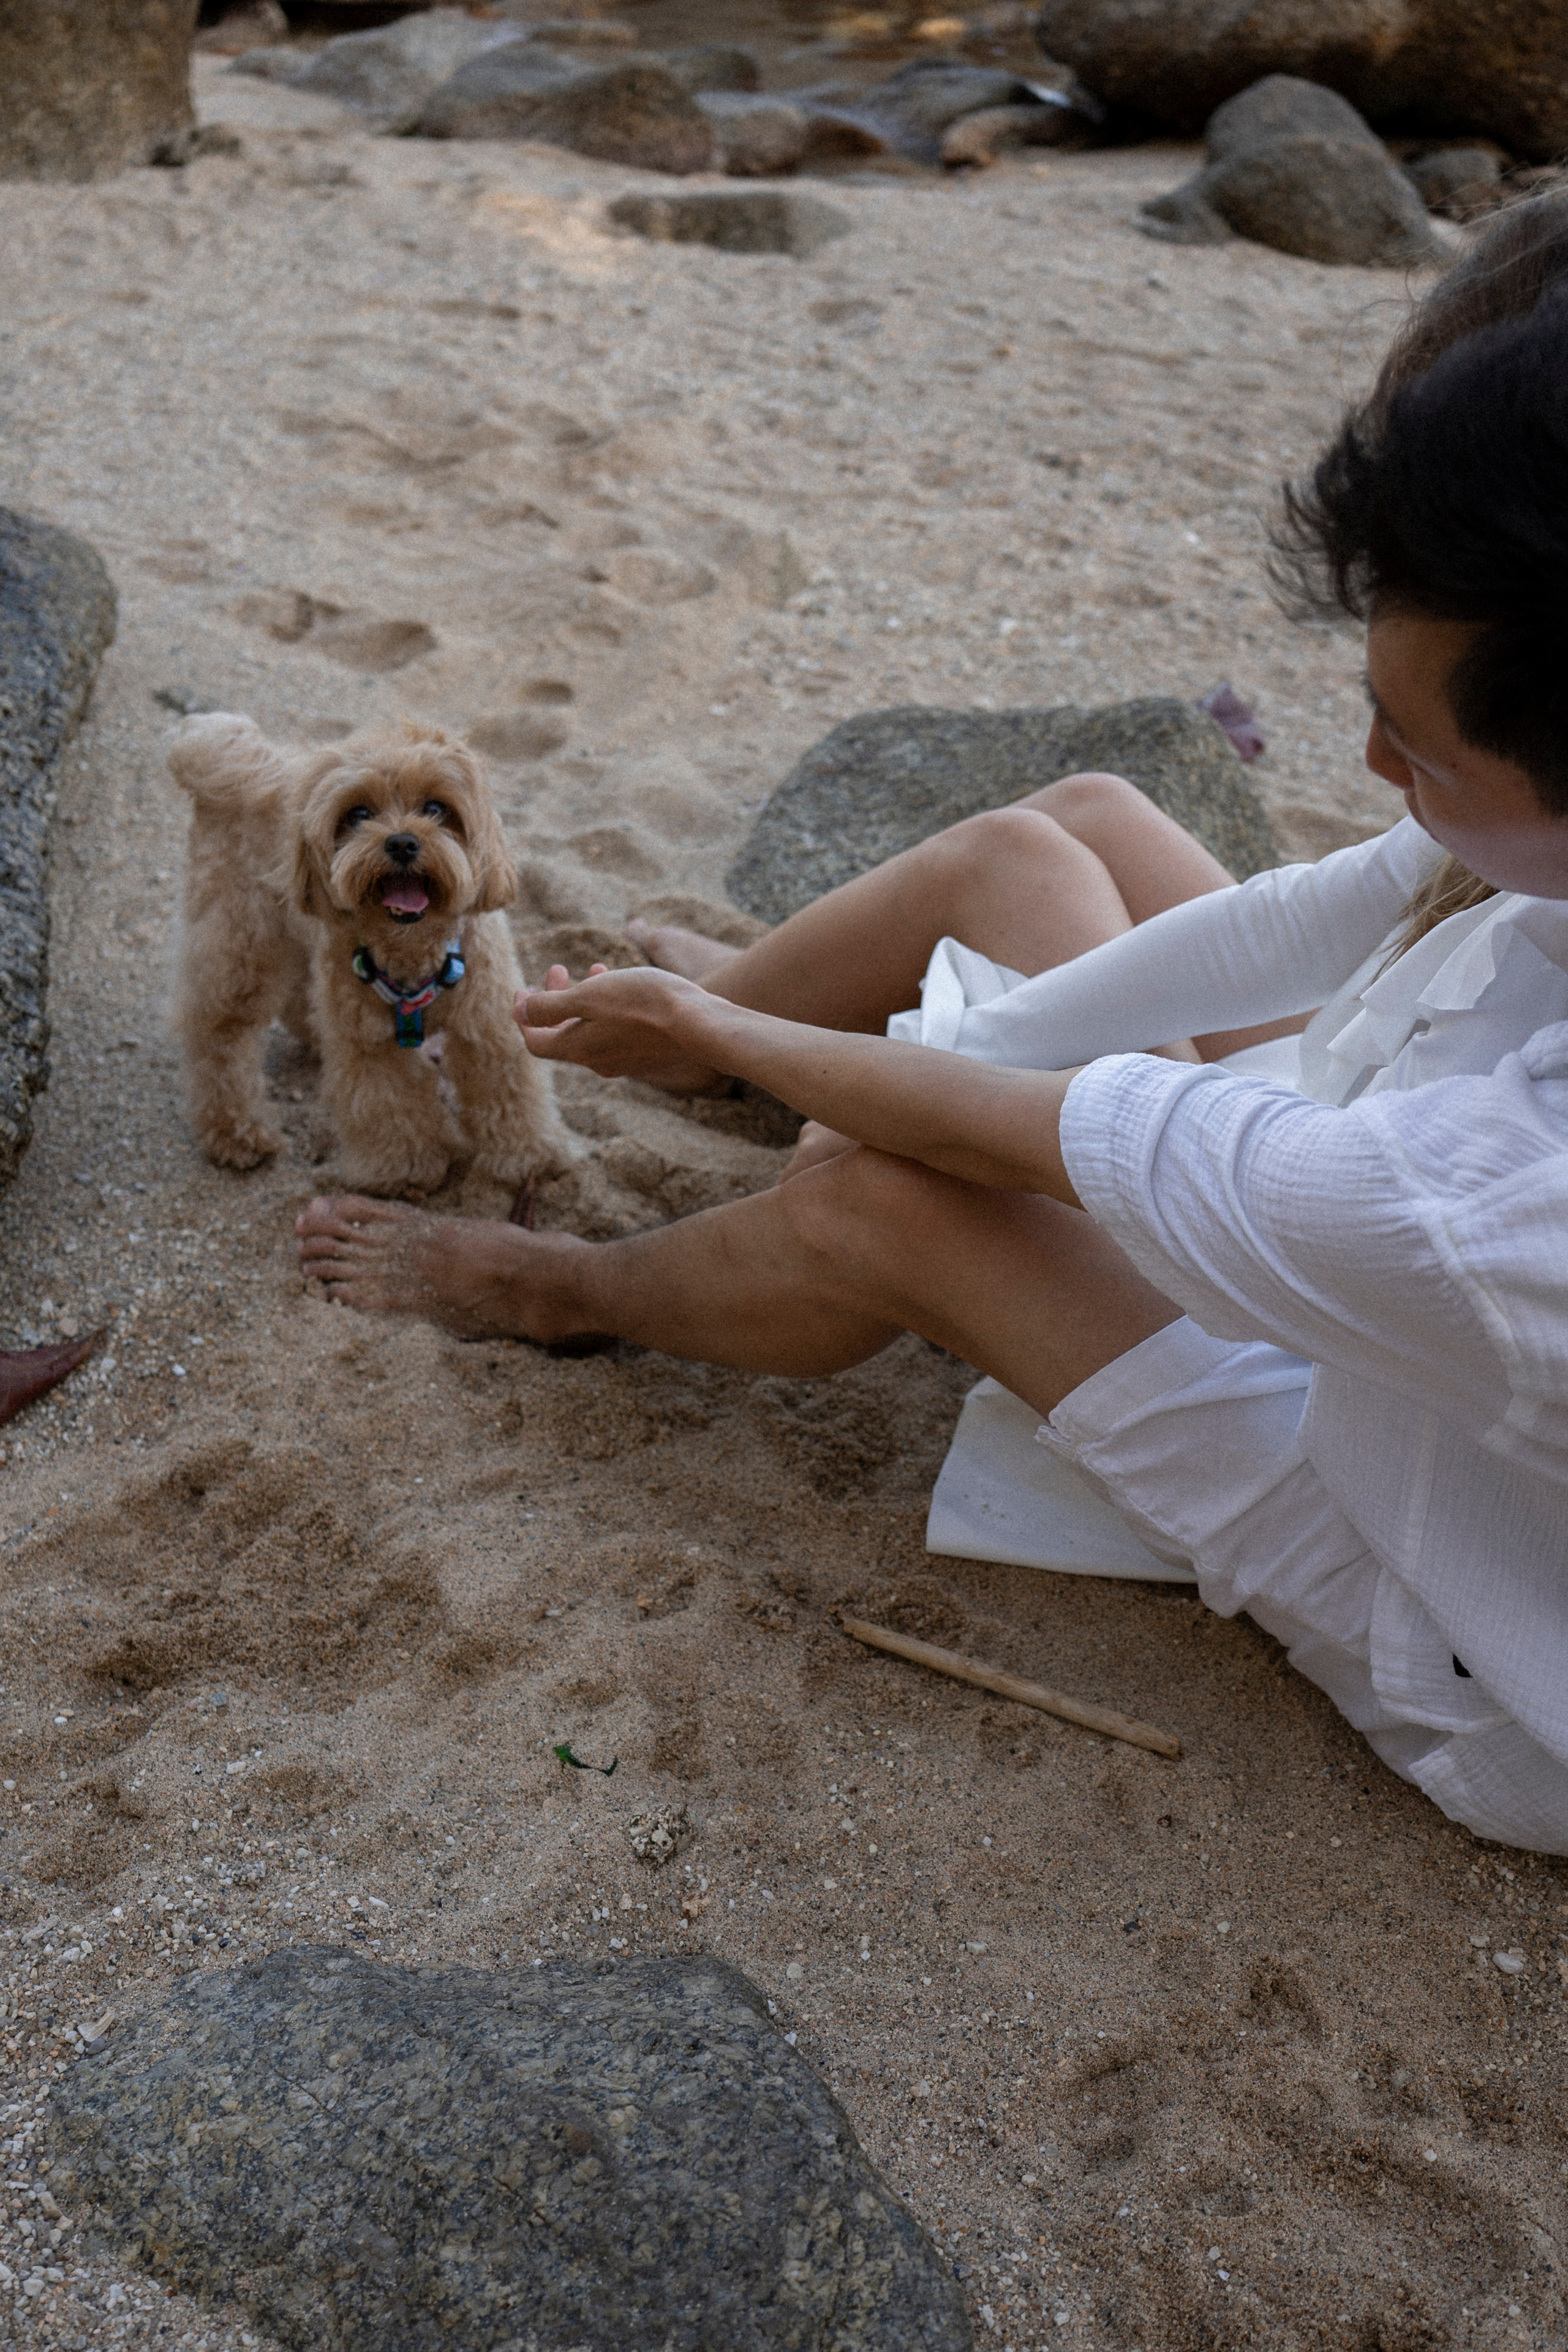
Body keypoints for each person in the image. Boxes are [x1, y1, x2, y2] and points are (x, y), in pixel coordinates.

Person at [298, 202, 1568, 1855]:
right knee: (1063, 833)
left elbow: (1025, 1143)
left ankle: (565, 1291)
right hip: (1407, 1218)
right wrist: (868, 1046)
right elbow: (1309, 914)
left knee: (874, 1196)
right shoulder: (1508, 867)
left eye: (1422, 753)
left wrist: (834, 1077)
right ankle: (704, 1033)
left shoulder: (1486, 1210)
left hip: (1465, 1621)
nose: (1380, 780)